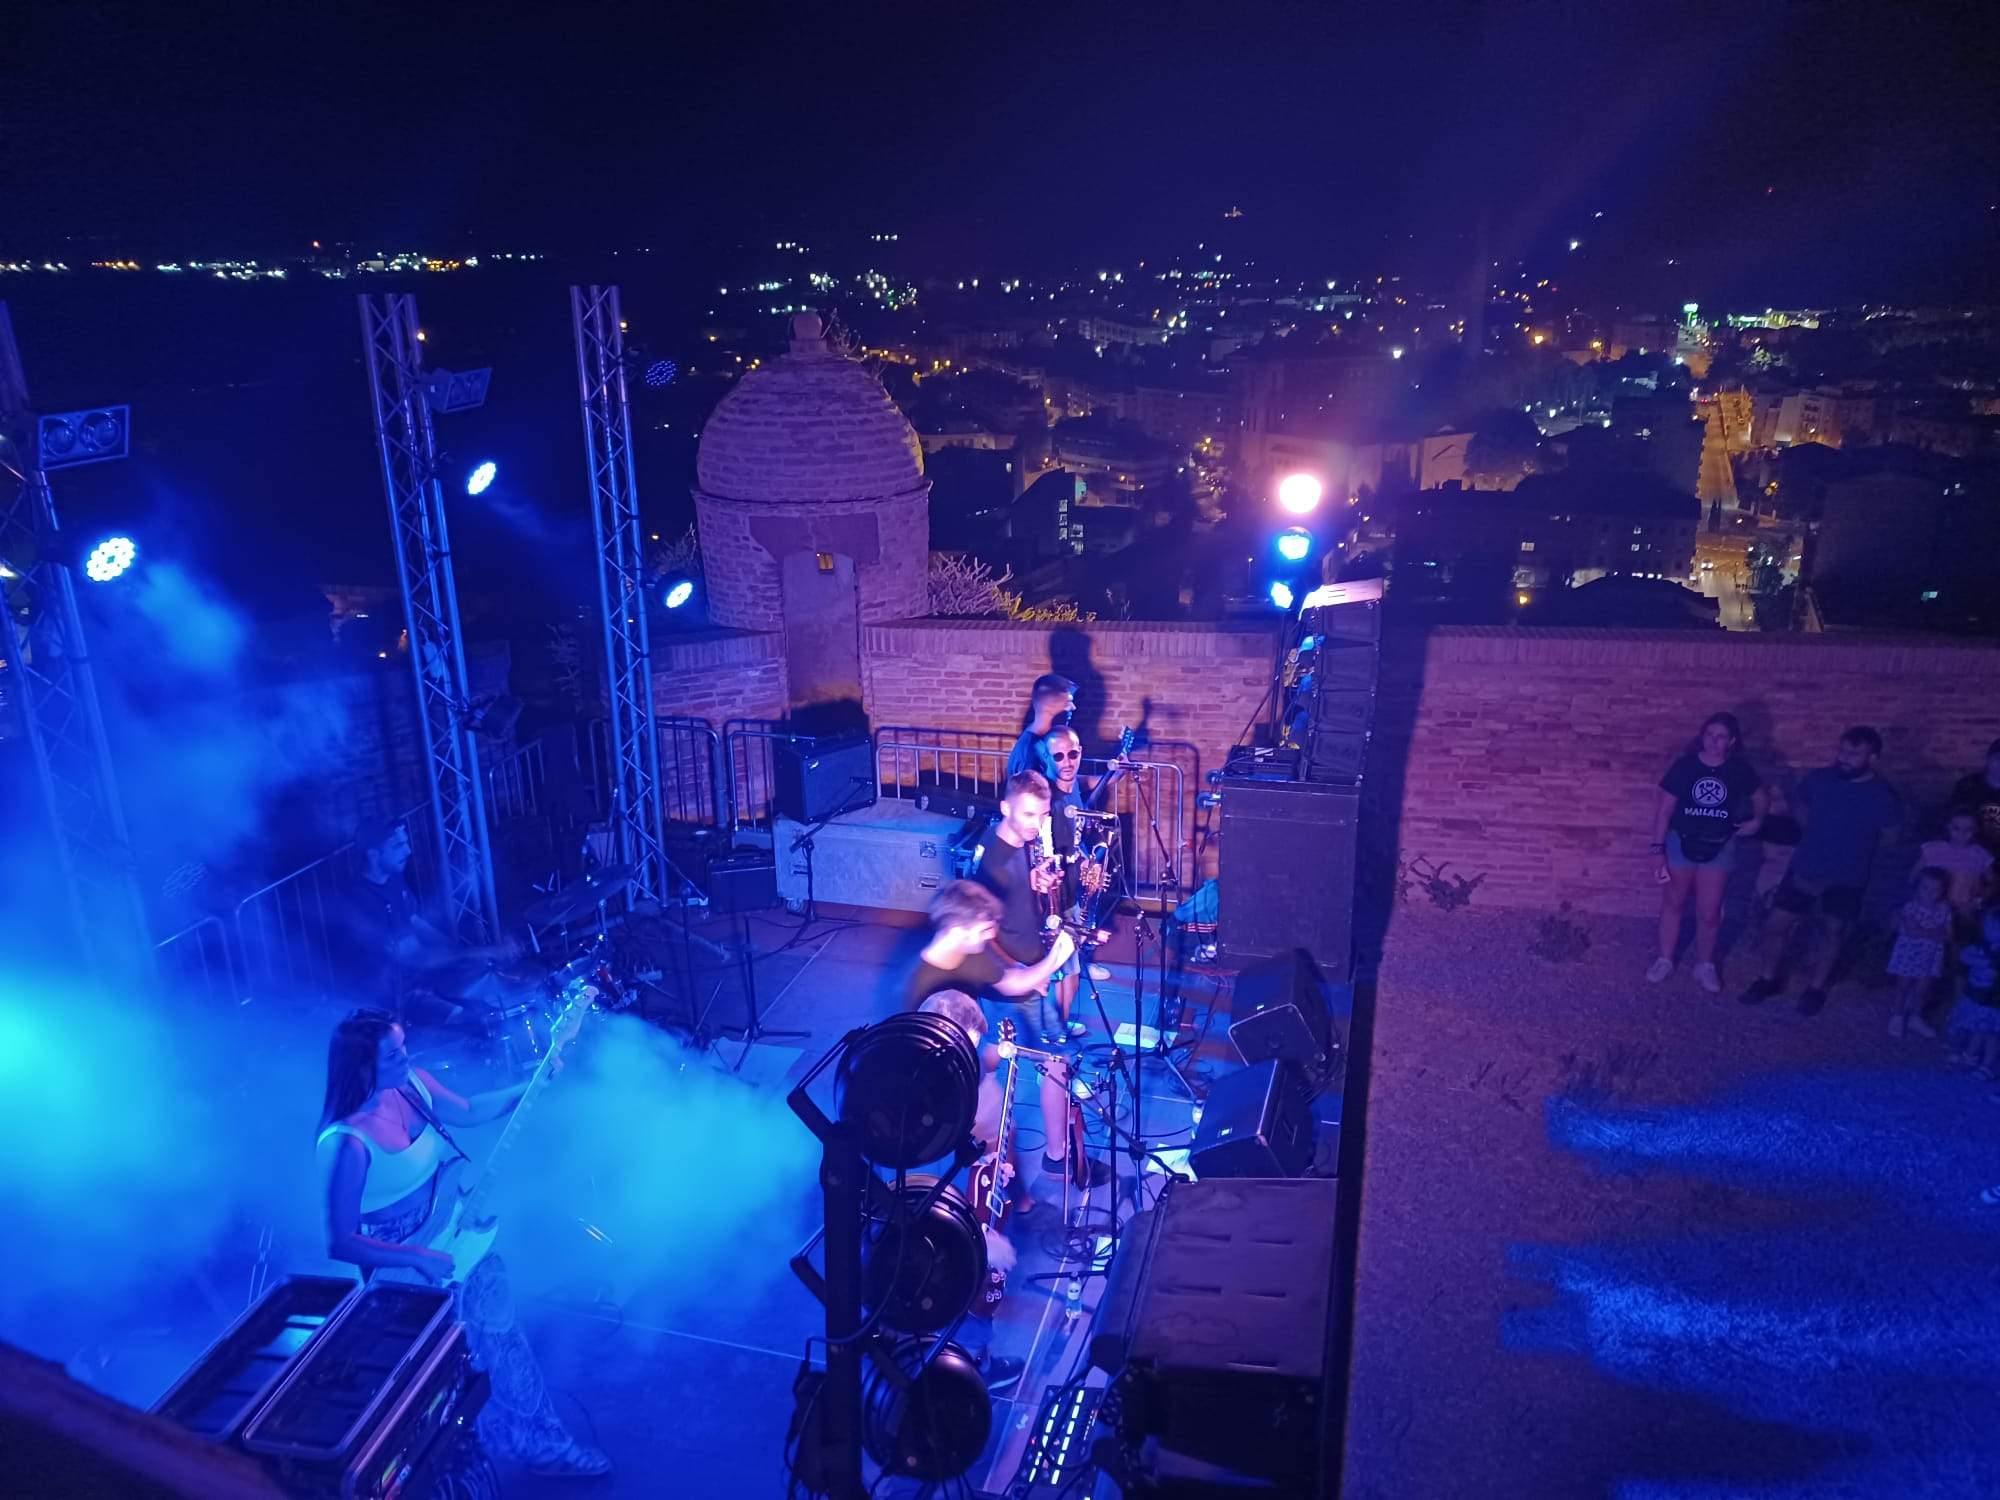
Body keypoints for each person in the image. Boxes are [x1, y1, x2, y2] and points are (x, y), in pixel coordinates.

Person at [316, 1008, 610, 1477]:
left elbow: (470, 1111)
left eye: (404, 1047)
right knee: (442, 1375)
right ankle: (455, 1468)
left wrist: (534, 1083)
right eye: (393, 1055)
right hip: (402, 1263)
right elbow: (341, 1241)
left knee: (505, 1340)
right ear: (361, 1066)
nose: (405, 1059)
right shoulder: (345, 1142)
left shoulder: (414, 1086)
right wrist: (416, 1256)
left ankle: (542, 1444)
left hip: (461, 1234)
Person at [906, 879, 1097, 1197]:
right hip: (940, 1088)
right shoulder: (917, 985)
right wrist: (1056, 957)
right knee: (988, 1141)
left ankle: (1017, 1202)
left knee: (1002, 1133)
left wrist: (1048, 964)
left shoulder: (966, 954)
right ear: (958, 929)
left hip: (968, 1071)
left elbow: (1011, 983)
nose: (991, 936)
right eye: (983, 929)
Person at [1740, 727, 1903, 1016]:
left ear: (1873, 757)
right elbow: (1801, 806)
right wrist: (1817, 834)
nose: (1845, 757)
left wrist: (1856, 846)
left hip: (1849, 876)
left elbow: (1890, 835)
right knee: (1776, 926)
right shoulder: (1819, 779)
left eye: (1854, 753)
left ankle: (1816, 988)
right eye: (1843, 750)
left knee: (1834, 931)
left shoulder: (1883, 795)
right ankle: (1768, 979)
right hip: (1807, 867)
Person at [915, 988, 1024, 1393]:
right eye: (967, 1047)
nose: (970, 1059)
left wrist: (988, 1165)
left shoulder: (940, 1076)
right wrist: (974, 1230)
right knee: (962, 1294)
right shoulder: (929, 1103)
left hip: (957, 1208)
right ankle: (969, 1372)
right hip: (943, 1227)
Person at [333, 817, 515, 1021]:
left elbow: (416, 921)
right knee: (473, 1020)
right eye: (398, 846)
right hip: (395, 998)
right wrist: (476, 952)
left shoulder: (392, 877)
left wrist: (462, 953)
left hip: (423, 976)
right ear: (373, 854)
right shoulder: (361, 900)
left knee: (492, 985)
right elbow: (414, 956)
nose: (408, 851)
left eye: (406, 842)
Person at [1646, 712, 1767, 994]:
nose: (1714, 741)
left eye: (1721, 736)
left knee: (1710, 911)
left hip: (1720, 845)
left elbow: (1761, 797)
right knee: (1673, 902)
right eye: (1710, 735)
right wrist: (1657, 849)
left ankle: (1705, 964)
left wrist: (1757, 820)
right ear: (1702, 737)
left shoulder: (1739, 770)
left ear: (1731, 741)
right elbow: (1664, 810)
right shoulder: (1685, 767)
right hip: (1681, 843)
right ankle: (1664, 959)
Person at [1043, 725, 1113, 1028]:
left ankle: (1061, 1026)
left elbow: (1079, 839)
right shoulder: (1052, 801)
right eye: (1058, 756)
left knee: (1071, 970)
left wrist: (1093, 861)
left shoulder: (1075, 794)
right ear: (1047, 758)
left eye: (1072, 754)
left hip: (1074, 894)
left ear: (1080, 752)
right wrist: (1080, 864)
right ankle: (1057, 1032)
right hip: (1059, 901)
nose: (1067, 762)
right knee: (1064, 971)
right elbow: (1047, 853)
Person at [1886, 868, 1952, 1038]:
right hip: (1909, 954)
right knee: (1903, 986)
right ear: (1918, 887)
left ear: (1942, 890)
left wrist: (1930, 932)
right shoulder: (1911, 907)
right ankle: (1897, 1017)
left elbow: (1948, 935)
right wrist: (1934, 933)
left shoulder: (1944, 909)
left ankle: (1915, 1017)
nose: (1930, 893)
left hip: (1930, 957)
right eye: (1925, 888)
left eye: (1936, 889)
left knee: (1923, 989)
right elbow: (1911, 931)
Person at [1917, 807, 1994, 939]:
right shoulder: (1932, 849)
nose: (1962, 834)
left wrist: (1977, 903)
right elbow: (1913, 878)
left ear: (1975, 830)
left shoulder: (1980, 855)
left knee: (1962, 945)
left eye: (1968, 829)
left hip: (1963, 912)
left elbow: (1992, 883)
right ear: (1948, 826)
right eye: (1956, 828)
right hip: (1929, 910)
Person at [1946, 909, 2000, 1077]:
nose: (1990, 930)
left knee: (1991, 1033)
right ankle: (1969, 1057)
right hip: (1976, 996)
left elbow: (1990, 973)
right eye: (1988, 925)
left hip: (1993, 1001)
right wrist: (1980, 961)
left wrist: (1980, 963)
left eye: (1995, 927)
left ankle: (1987, 1065)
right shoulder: (1983, 945)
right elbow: (1964, 955)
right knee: (1977, 1027)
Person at [1006, 673, 1076, 782]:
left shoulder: (1046, 741)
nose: (1073, 707)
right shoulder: (1031, 757)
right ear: (1048, 708)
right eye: (1067, 703)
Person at [1949, 739, 2000, 856]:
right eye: (1997, 759)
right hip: (1970, 849)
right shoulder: (1968, 786)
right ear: (1988, 760)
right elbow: (1953, 818)